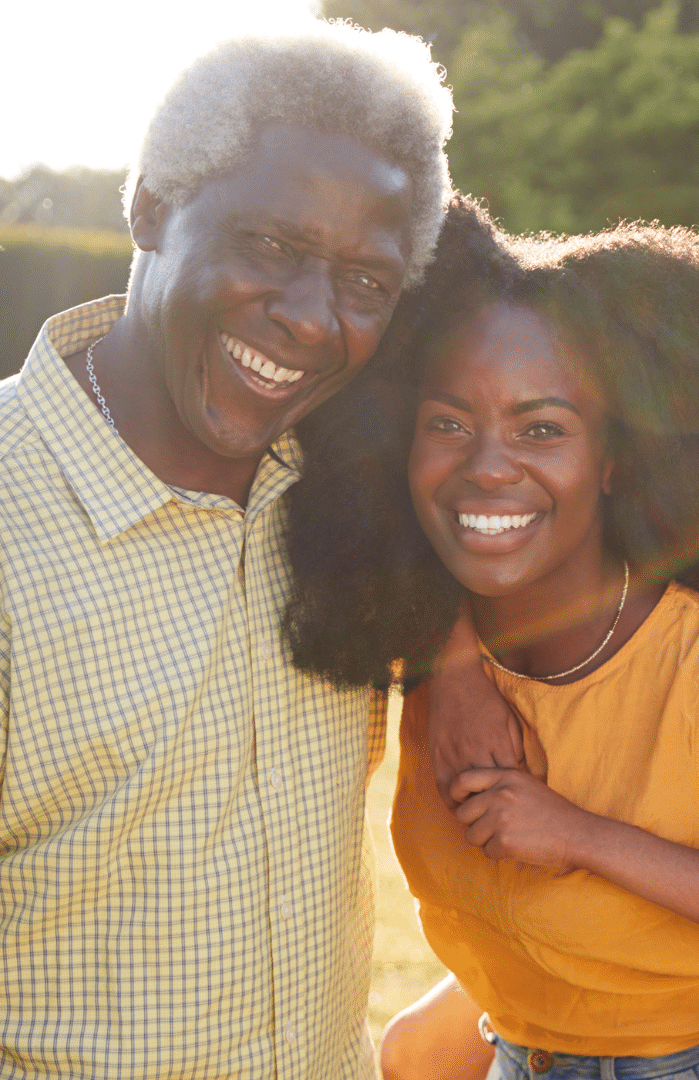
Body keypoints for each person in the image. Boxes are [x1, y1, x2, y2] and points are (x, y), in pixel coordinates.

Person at [285, 202, 699, 1080]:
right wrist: (444, 655)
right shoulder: (398, 621)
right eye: (448, 422)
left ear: (615, 458)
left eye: (542, 428)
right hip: (516, 1044)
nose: (488, 465)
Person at [0, 23, 452, 1077]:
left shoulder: (350, 496)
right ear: (151, 205)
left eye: (366, 284)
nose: (309, 319)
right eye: (271, 246)